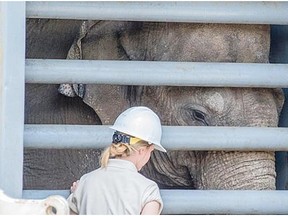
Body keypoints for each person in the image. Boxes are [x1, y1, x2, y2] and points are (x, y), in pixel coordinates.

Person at [67, 106, 167, 215]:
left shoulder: (85, 182)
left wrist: (77, 194)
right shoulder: (148, 189)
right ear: (142, 151)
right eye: (151, 151)